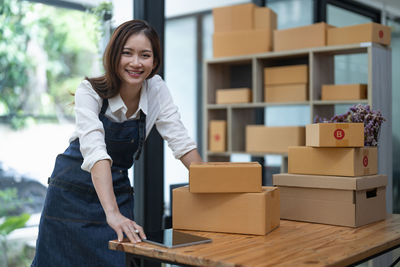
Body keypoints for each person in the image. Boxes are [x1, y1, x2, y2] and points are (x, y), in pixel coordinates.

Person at [32, 19, 202, 267]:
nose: (136, 63)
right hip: (70, 199)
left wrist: (213, 187)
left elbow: (182, 143)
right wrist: (111, 213)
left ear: (154, 61)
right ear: (114, 56)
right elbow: (96, 152)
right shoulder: (89, 90)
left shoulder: (156, 90)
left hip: (117, 192)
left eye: (145, 55)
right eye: (127, 53)